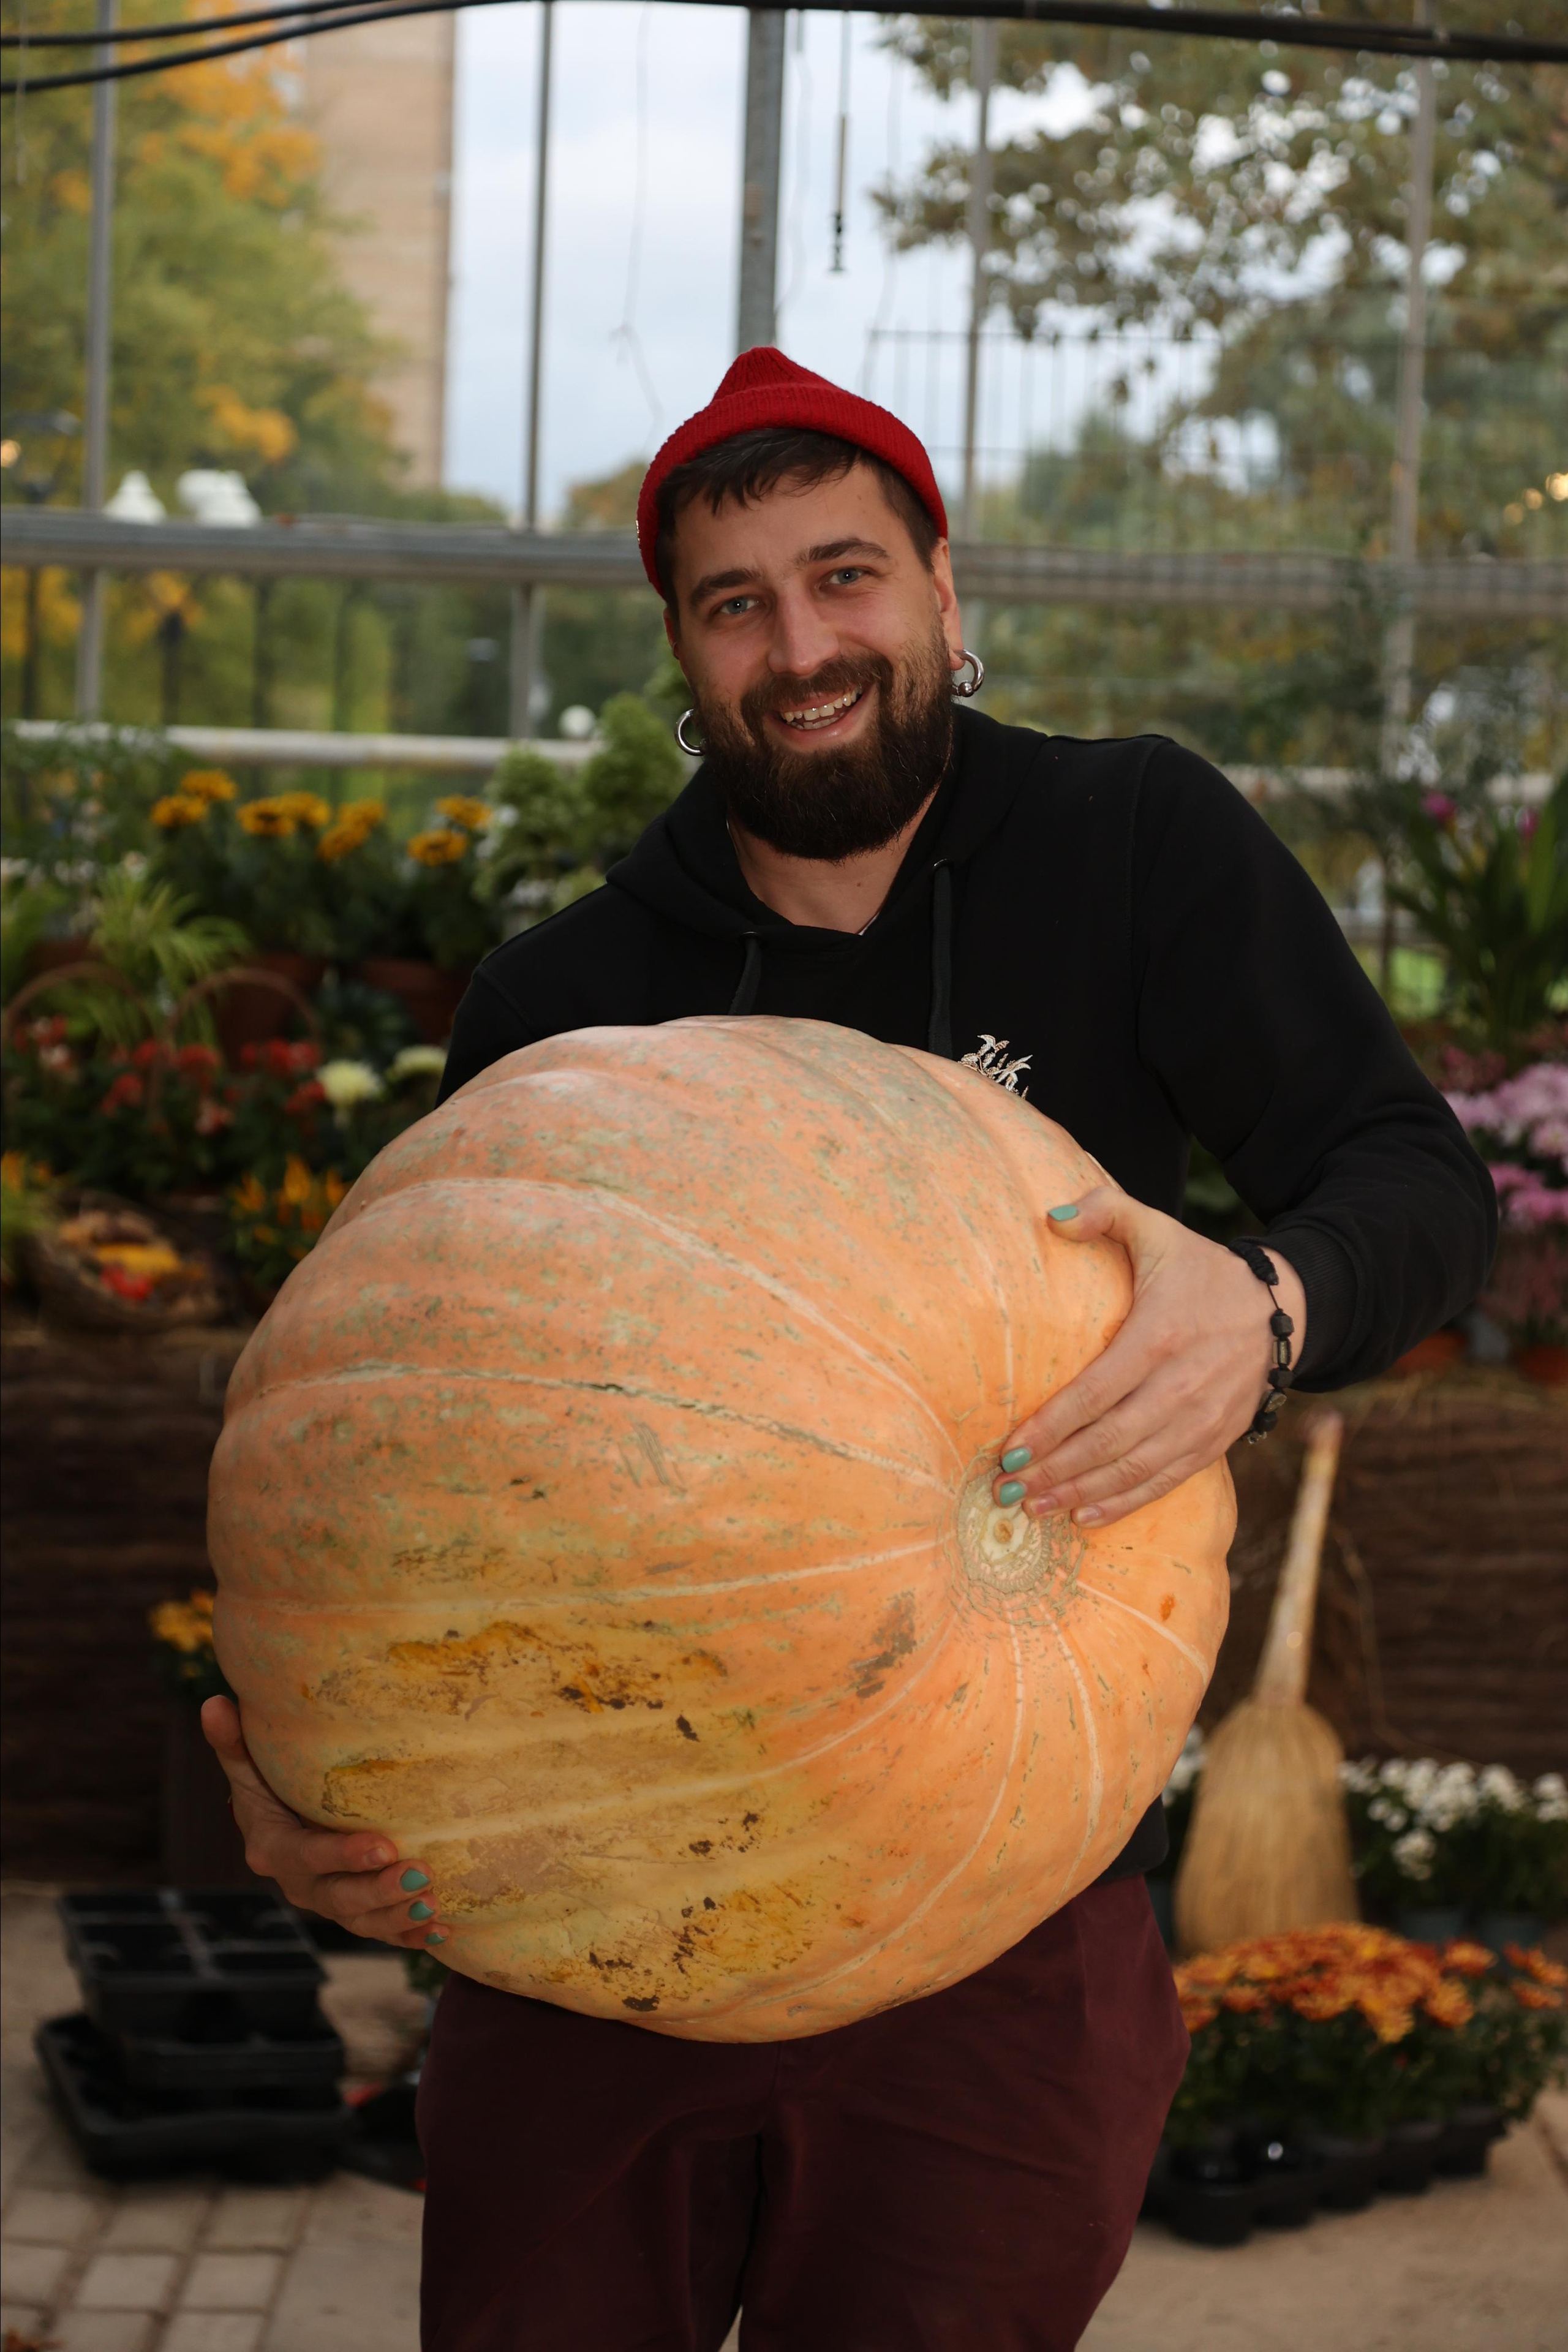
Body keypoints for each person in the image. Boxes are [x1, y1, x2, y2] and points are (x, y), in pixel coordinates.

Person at [205, 347, 1495, 2352]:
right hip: (601, 1915)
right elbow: (388, 1448)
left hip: (1002, 1885)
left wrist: (1265, 1302)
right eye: (738, 604)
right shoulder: (568, 997)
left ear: (943, 590)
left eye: (846, 575)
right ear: (685, 655)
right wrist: (302, 1772)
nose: (801, 644)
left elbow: (1415, 1179)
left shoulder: (1132, 845)